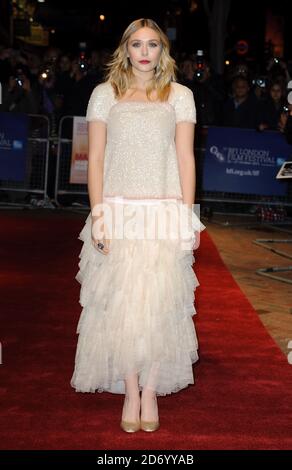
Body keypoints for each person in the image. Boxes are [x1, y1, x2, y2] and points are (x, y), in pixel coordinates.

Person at [70, 18, 205, 433]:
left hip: (164, 212)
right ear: (125, 49)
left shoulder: (180, 96)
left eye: (152, 44)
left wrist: (186, 214)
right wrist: (99, 214)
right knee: (123, 307)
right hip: (119, 210)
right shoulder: (103, 95)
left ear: (162, 50)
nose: (144, 52)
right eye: (136, 44)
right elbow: (95, 158)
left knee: (161, 305)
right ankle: (130, 390)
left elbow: (185, 159)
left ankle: (150, 391)